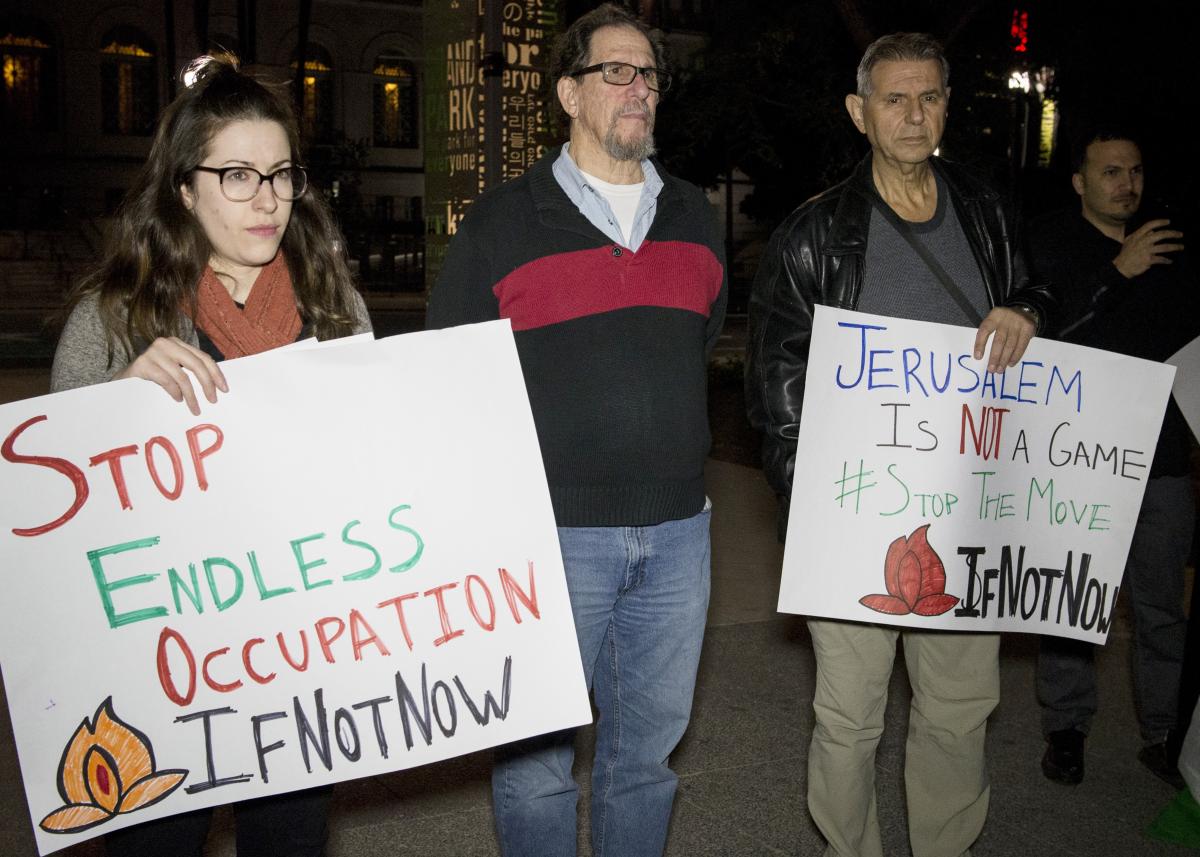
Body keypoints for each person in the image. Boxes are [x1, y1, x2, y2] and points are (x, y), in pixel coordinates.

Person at [51, 53, 370, 856]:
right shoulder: (114, 316)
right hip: (158, 668)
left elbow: (376, 468)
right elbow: (51, 514)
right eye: (237, 174)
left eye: (282, 174)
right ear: (184, 188)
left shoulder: (334, 305)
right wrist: (115, 403)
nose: (268, 199)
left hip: (295, 655)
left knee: (293, 838)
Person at [426, 5, 726, 855]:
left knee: (647, 759)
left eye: (651, 76)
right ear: (568, 92)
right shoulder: (499, 223)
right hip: (549, 538)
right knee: (533, 764)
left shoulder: (697, 217)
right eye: (617, 72)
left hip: (679, 538)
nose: (640, 90)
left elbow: (695, 343)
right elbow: (454, 379)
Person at [746, 32, 1053, 857]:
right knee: (849, 717)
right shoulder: (813, 234)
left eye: (928, 97)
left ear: (946, 109)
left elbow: (1034, 286)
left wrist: (1026, 307)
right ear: (860, 112)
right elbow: (775, 381)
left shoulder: (985, 210)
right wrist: (805, 498)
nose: (913, 115)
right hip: (852, 515)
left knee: (958, 711)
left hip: (966, 511)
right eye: (894, 98)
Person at [1029, 127, 1195, 789]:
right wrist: (1115, 273)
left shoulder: (1173, 250)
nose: (1126, 183)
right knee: (1070, 602)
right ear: (1079, 181)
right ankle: (1065, 729)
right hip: (1080, 457)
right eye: (1110, 171)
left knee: (1161, 607)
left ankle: (1166, 735)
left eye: (1134, 169)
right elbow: (1043, 337)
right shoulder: (1047, 244)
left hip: (1162, 460)